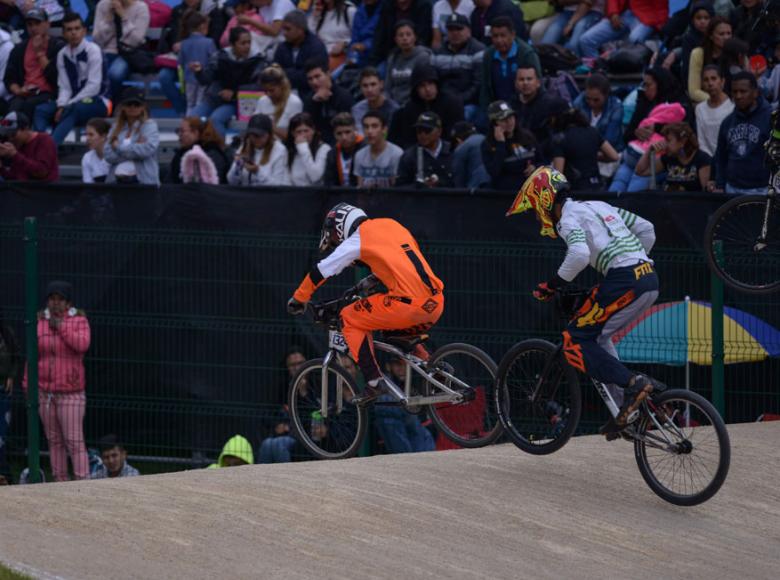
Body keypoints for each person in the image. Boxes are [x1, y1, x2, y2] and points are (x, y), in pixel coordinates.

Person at [507, 166, 660, 438]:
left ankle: (632, 383)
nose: (536, 214)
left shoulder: (567, 219)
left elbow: (578, 254)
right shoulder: (599, 206)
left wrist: (551, 284)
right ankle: (623, 410)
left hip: (625, 280)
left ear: (544, 199)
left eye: (534, 207)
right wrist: (636, 261)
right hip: (648, 277)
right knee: (599, 337)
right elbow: (647, 229)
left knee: (575, 339)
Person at [287, 202, 444, 405]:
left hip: (408, 305)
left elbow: (322, 270)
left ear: (341, 225)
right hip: (435, 302)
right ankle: (432, 367)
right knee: (394, 330)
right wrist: (373, 279)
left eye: (335, 236)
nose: (336, 241)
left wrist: (299, 299)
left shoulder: (359, 237)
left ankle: (373, 380)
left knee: (349, 317)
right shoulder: (391, 224)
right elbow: (401, 261)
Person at [23, 281, 91, 481]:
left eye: (60, 299)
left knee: (74, 440)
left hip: (71, 392)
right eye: (52, 299)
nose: (55, 303)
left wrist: (61, 327)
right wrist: (27, 384)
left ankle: (83, 482)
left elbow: (82, 345)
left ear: (68, 302)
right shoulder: (39, 320)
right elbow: (32, 356)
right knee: (54, 441)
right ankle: (59, 482)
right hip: (45, 391)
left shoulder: (78, 320)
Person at [33, 13, 108, 145]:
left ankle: (50, 149)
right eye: (69, 29)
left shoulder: (93, 50)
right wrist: (61, 105)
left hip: (98, 101)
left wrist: (67, 105)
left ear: (84, 31)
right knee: (41, 110)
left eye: (77, 28)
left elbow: (94, 87)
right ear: (64, 33)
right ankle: (39, 145)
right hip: (73, 103)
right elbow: (64, 86)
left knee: (73, 109)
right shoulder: (62, 54)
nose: (74, 33)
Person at [193, 26, 265, 137]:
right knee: (192, 118)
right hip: (214, 99)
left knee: (215, 120)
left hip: (238, 103)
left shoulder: (258, 60)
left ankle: (219, 152)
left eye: (249, 42)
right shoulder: (219, 56)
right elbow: (205, 80)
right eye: (243, 43)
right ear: (232, 44)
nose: (247, 46)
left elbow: (258, 86)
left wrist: (234, 94)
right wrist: (199, 71)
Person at [711, 71, 772, 194]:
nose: (738, 96)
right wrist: (719, 183)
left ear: (755, 93)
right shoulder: (727, 122)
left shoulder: (771, 119)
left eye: (743, 91)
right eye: (734, 92)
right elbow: (721, 156)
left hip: (762, 190)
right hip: (732, 189)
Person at [3, 9, 65, 122]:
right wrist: (18, 90)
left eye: (37, 23)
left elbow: (58, 78)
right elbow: (9, 78)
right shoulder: (19, 48)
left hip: (49, 94)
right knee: (12, 111)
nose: (33, 28)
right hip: (25, 93)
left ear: (47, 24)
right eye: (30, 24)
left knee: (28, 106)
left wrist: (39, 53)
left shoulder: (58, 47)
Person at [388, 63, 464, 150]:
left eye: (430, 83)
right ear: (416, 89)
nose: (427, 89)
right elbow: (408, 139)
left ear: (437, 84)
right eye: (422, 86)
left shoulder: (452, 103)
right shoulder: (410, 108)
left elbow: (456, 136)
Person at [373, 356, 435, 453]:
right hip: (393, 436)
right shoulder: (384, 385)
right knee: (387, 408)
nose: (402, 369)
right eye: (397, 364)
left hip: (418, 434)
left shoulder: (416, 381)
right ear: (389, 367)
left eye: (404, 365)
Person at [91, 0, 151, 99]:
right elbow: (97, 41)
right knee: (89, 72)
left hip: (128, 54)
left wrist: (123, 17)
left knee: (115, 74)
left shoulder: (141, 8)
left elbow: (134, 41)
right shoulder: (103, 5)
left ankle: (109, 106)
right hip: (105, 52)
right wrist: (108, 20)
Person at [550, 106, 619, 191]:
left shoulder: (560, 139)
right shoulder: (593, 131)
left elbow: (558, 174)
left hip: (575, 190)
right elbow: (614, 156)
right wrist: (590, 155)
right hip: (596, 187)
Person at [479, 16, 541, 110]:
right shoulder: (488, 55)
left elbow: (538, 85)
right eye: (495, 36)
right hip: (497, 108)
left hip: (523, 108)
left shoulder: (527, 54)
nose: (499, 40)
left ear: (512, 35)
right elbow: (485, 87)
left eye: (503, 35)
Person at [431, 14, 484, 122]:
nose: (455, 33)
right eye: (451, 29)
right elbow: (433, 79)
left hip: (468, 103)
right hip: (441, 100)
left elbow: (478, 84)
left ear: (468, 31)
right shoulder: (437, 52)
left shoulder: (478, 50)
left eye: (459, 29)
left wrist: (458, 101)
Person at [103, 88, 160, 185]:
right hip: (115, 182)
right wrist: (135, 150)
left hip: (142, 182)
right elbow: (107, 154)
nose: (132, 107)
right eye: (129, 104)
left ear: (143, 107)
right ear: (123, 107)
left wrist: (118, 147)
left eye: (137, 104)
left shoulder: (150, 125)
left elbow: (147, 150)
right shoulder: (115, 127)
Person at [481, 100, 540, 191]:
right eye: (503, 119)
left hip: (531, 190)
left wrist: (535, 167)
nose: (509, 122)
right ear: (494, 123)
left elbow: (543, 160)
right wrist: (501, 144)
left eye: (511, 117)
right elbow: (494, 172)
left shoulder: (527, 136)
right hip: (506, 194)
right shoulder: (488, 145)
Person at [579, 0, 668, 59]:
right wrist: (613, 13)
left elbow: (661, 7)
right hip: (622, 14)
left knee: (633, 40)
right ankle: (599, 72)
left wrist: (660, 24)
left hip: (647, 16)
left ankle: (633, 81)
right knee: (586, 40)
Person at [635, 122, 711, 191]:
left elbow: (705, 192)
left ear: (682, 141)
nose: (665, 144)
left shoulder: (702, 159)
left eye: (668, 140)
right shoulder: (669, 158)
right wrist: (649, 151)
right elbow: (640, 172)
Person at [273, 10, 328, 98]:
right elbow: (274, 72)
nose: (284, 33)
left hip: (309, 93)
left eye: (288, 29)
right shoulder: (282, 47)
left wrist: (285, 73)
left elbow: (309, 77)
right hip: (283, 91)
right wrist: (296, 73)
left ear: (300, 29)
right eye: (283, 29)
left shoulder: (316, 47)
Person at [227, 112, 291, 185]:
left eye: (260, 135)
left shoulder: (280, 150)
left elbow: (279, 186)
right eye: (253, 135)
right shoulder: (244, 146)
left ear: (269, 134)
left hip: (267, 195)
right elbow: (231, 181)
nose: (256, 138)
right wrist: (238, 167)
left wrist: (257, 172)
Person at [511, 65, 569, 146]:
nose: (525, 83)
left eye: (529, 79)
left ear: (538, 83)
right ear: (516, 84)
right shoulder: (511, 105)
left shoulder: (554, 104)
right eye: (521, 79)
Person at [395, 111, 455, 187]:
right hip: (420, 198)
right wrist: (420, 186)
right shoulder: (409, 156)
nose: (422, 134)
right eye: (419, 130)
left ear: (439, 131)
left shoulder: (453, 151)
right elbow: (400, 188)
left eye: (427, 130)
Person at [302, 59, 353, 146]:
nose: (314, 82)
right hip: (316, 146)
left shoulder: (344, 97)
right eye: (310, 79)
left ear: (328, 74)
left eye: (317, 76)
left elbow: (346, 128)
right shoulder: (309, 100)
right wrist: (314, 103)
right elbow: (307, 127)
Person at [369, 0, 433, 66]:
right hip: (390, 55)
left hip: (416, 54)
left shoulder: (424, 6)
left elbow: (423, 37)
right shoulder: (387, 6)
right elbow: (380, 36)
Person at [572, 72, 624, 152]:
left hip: (608, 153)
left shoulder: (616, 107)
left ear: (606, 95)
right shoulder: (578, 103)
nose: (591, 103)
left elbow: (611, 140)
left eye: (596, 100)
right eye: (588, 99)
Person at [385, 20, 432, 106]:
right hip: (393, 104)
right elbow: (388, 87)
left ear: (415, 37)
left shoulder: (423, 57)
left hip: (413, 104)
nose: (405, 38)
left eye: (408, 34)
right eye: (401, 35)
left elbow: (421, 87)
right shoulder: (393, 58)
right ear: (395, 39)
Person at [0, 111, 58, 181]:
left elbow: (42, 172)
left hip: (42, 190)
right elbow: (14, 179)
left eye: (13, 134)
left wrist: (15, 155)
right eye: (7, 135)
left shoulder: (44, 140)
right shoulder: (19, 145)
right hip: (22, 190)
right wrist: (1, 169)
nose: (10, 139)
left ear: (26, 129)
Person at [168, 116, 229, 184]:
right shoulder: (181, 153)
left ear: (195, 133)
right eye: (178, 131)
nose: (179, 134)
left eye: (182, 131)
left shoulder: (212, 154)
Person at [179, 11, 218, 116]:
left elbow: (181, 62)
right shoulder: (209, 42)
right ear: (202, 26)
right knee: (200, 103)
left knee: (190, 104)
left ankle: (189, 121)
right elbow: (214, 60)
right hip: (203, 78)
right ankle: (196, 125)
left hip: (188, 79)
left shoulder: (184, 43)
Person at [687, 16, 732, 104]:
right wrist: (720, 100)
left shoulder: (736, 53)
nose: (726, 37)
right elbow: (694, 91)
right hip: (707, 102)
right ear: (711, 36)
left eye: (729, 33)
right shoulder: (698, 54)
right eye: (721, 34)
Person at [353, 111, 404, 187]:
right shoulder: (359, 155)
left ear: (384, 129)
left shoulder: (396, 154)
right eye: (366, 127)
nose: (369, 131)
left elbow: (397, 189)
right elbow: (360, 188)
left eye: (374, 126)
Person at [253, 64, 304, 140]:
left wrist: (272, 127)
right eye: (265, 91)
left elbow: (296, 137)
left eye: (272, 90)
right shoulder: (262, 100)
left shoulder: (294, 102)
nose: (268, 94)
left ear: (282, 86)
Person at [695, 65, 734, 156]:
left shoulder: (732, 107)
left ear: (722, 81)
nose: (710, 83)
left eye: (714, 79)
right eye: (706, 80)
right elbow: (702, 142)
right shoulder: (700, 109)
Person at [540, 0, 604, 55]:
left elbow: (588, 2)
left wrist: (571, 23)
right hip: (567, 12)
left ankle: (574, 66)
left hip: (593, 11)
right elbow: (558, 1)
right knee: (546, 42)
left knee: (573, 44)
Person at [308, 0, 357, 71]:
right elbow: (310, 37)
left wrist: (345, 44)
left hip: (342, 56)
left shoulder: (349, 10)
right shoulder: (319, 10)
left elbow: (358, 37)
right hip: (321, 56)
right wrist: (315, 17)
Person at [285, 111, 331, 185]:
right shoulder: (289, 150)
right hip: (294, 193)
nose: (303, 135)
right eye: (299, 132)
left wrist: (303, 148)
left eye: (306, 131)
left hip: (315, 194)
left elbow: (315, 177)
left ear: (313, 130)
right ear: (293, 133)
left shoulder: (324, 148)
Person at [351, 66, 400, 134]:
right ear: (360, 87)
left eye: (373, 84)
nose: (369, 90)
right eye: (365, 86)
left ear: (381, 84)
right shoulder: (357, 110)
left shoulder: (394, 110)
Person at [0, 315, 19, 483]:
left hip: (2, 391)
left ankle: (5, 477)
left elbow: (15, 356)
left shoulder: (6, 332)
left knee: (1, 438)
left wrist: (11, 376)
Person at [323, 111, 365, 186]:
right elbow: (329, 184)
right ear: (334, 135)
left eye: (347, 132)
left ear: (355, 130)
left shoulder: (366, 149)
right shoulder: (332, 154)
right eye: (339, 133)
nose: (344, 137)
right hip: (339, 196)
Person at [450, 120, 490, 188]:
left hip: (478, 190)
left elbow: (459, 180)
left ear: (458, 140)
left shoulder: (462, 148)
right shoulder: (487, 139)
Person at [347, 0, 381, 68]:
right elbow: (354, 38)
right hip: (359, 56)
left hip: (378, 56)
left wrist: (366, 45)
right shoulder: (359, 11)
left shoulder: (385, 10)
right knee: (335, 75)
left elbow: (383, 37)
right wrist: (350, 56)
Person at [82, 117, 111, 183]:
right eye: (86, 134)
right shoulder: (87, 158)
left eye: (91, 135)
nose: (87, 138)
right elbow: (88, 185)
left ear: (103, 136)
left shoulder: (115, 156)